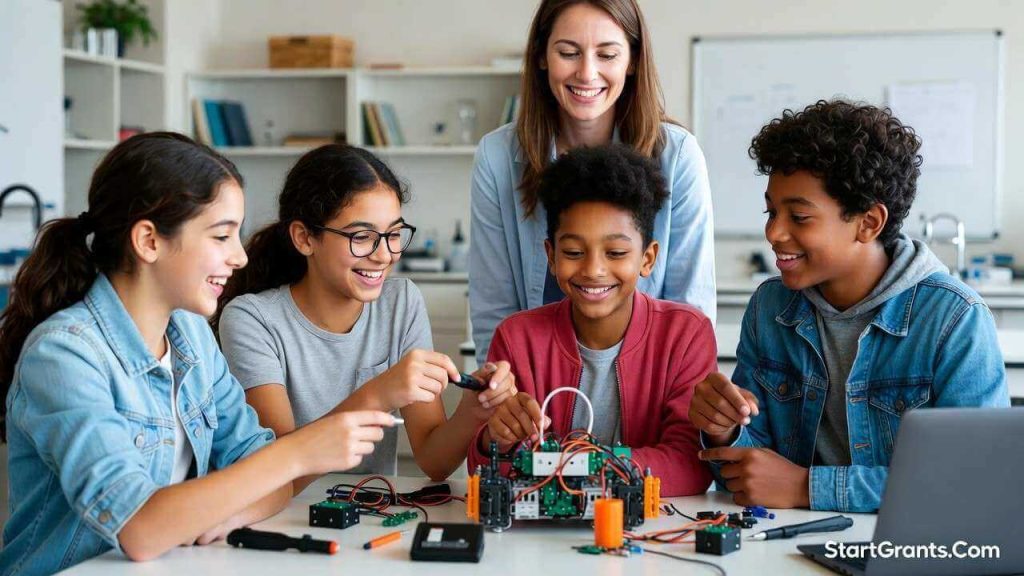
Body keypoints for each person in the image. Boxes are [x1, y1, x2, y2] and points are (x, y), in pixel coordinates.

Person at [0, 133, 393, 574]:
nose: (240, 256)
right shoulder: (64, 356)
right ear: (149, 241)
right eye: (222, 236)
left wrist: (226, 510)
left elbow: (268, 479)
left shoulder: (190, 336)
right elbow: (140, 528)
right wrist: (298, 453)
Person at [691, 100, 1009, 512]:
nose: (773, 232)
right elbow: (754, 474)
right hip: (790, 541)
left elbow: (976, 480)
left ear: (869, 223)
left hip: (906, 546)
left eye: (799, 217)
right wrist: (724, 431)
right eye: (770, 211)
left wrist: (808, 488)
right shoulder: (770, 307)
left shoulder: (953, 319)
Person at [215, 144, 515, 487]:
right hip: (282, 517)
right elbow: (276, 474)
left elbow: (435, 460)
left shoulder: (400, 302)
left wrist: (472, 409)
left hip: (371, 516)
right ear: (304, 238)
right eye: (362, 237)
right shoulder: (252, 319)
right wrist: (378, 395)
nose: (384, 254)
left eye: (393, 234)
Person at [469, 0, 716, 365]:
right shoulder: (497, 156)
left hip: (646, 389)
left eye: (607, 54)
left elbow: (691, 311)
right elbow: (494, 307)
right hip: (536, 389)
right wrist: (506, 396)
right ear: (541, 56)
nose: (587, 73)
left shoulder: (677, 156)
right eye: (568, 52)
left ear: (631, 60)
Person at [468, 144, 715, 497]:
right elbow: (487, 470)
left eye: (615, 253)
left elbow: (690, 463)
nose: (594, 270)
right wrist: (499, 439)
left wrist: (582, 464)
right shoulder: (517, 336)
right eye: (573, 253)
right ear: (551, 256)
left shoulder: (686, 334)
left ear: (647, 259)